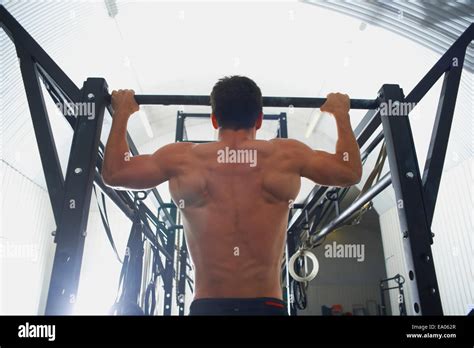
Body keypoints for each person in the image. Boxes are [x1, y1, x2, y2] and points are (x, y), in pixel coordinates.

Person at [102, 76, 362, 315]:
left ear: (215, 119)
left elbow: (114, 173)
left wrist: (122, 113)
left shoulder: (181, 159)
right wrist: (341, 114)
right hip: (267, 306)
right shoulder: (288, 155)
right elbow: (349, 171)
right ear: (259, 120)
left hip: (207, 306)